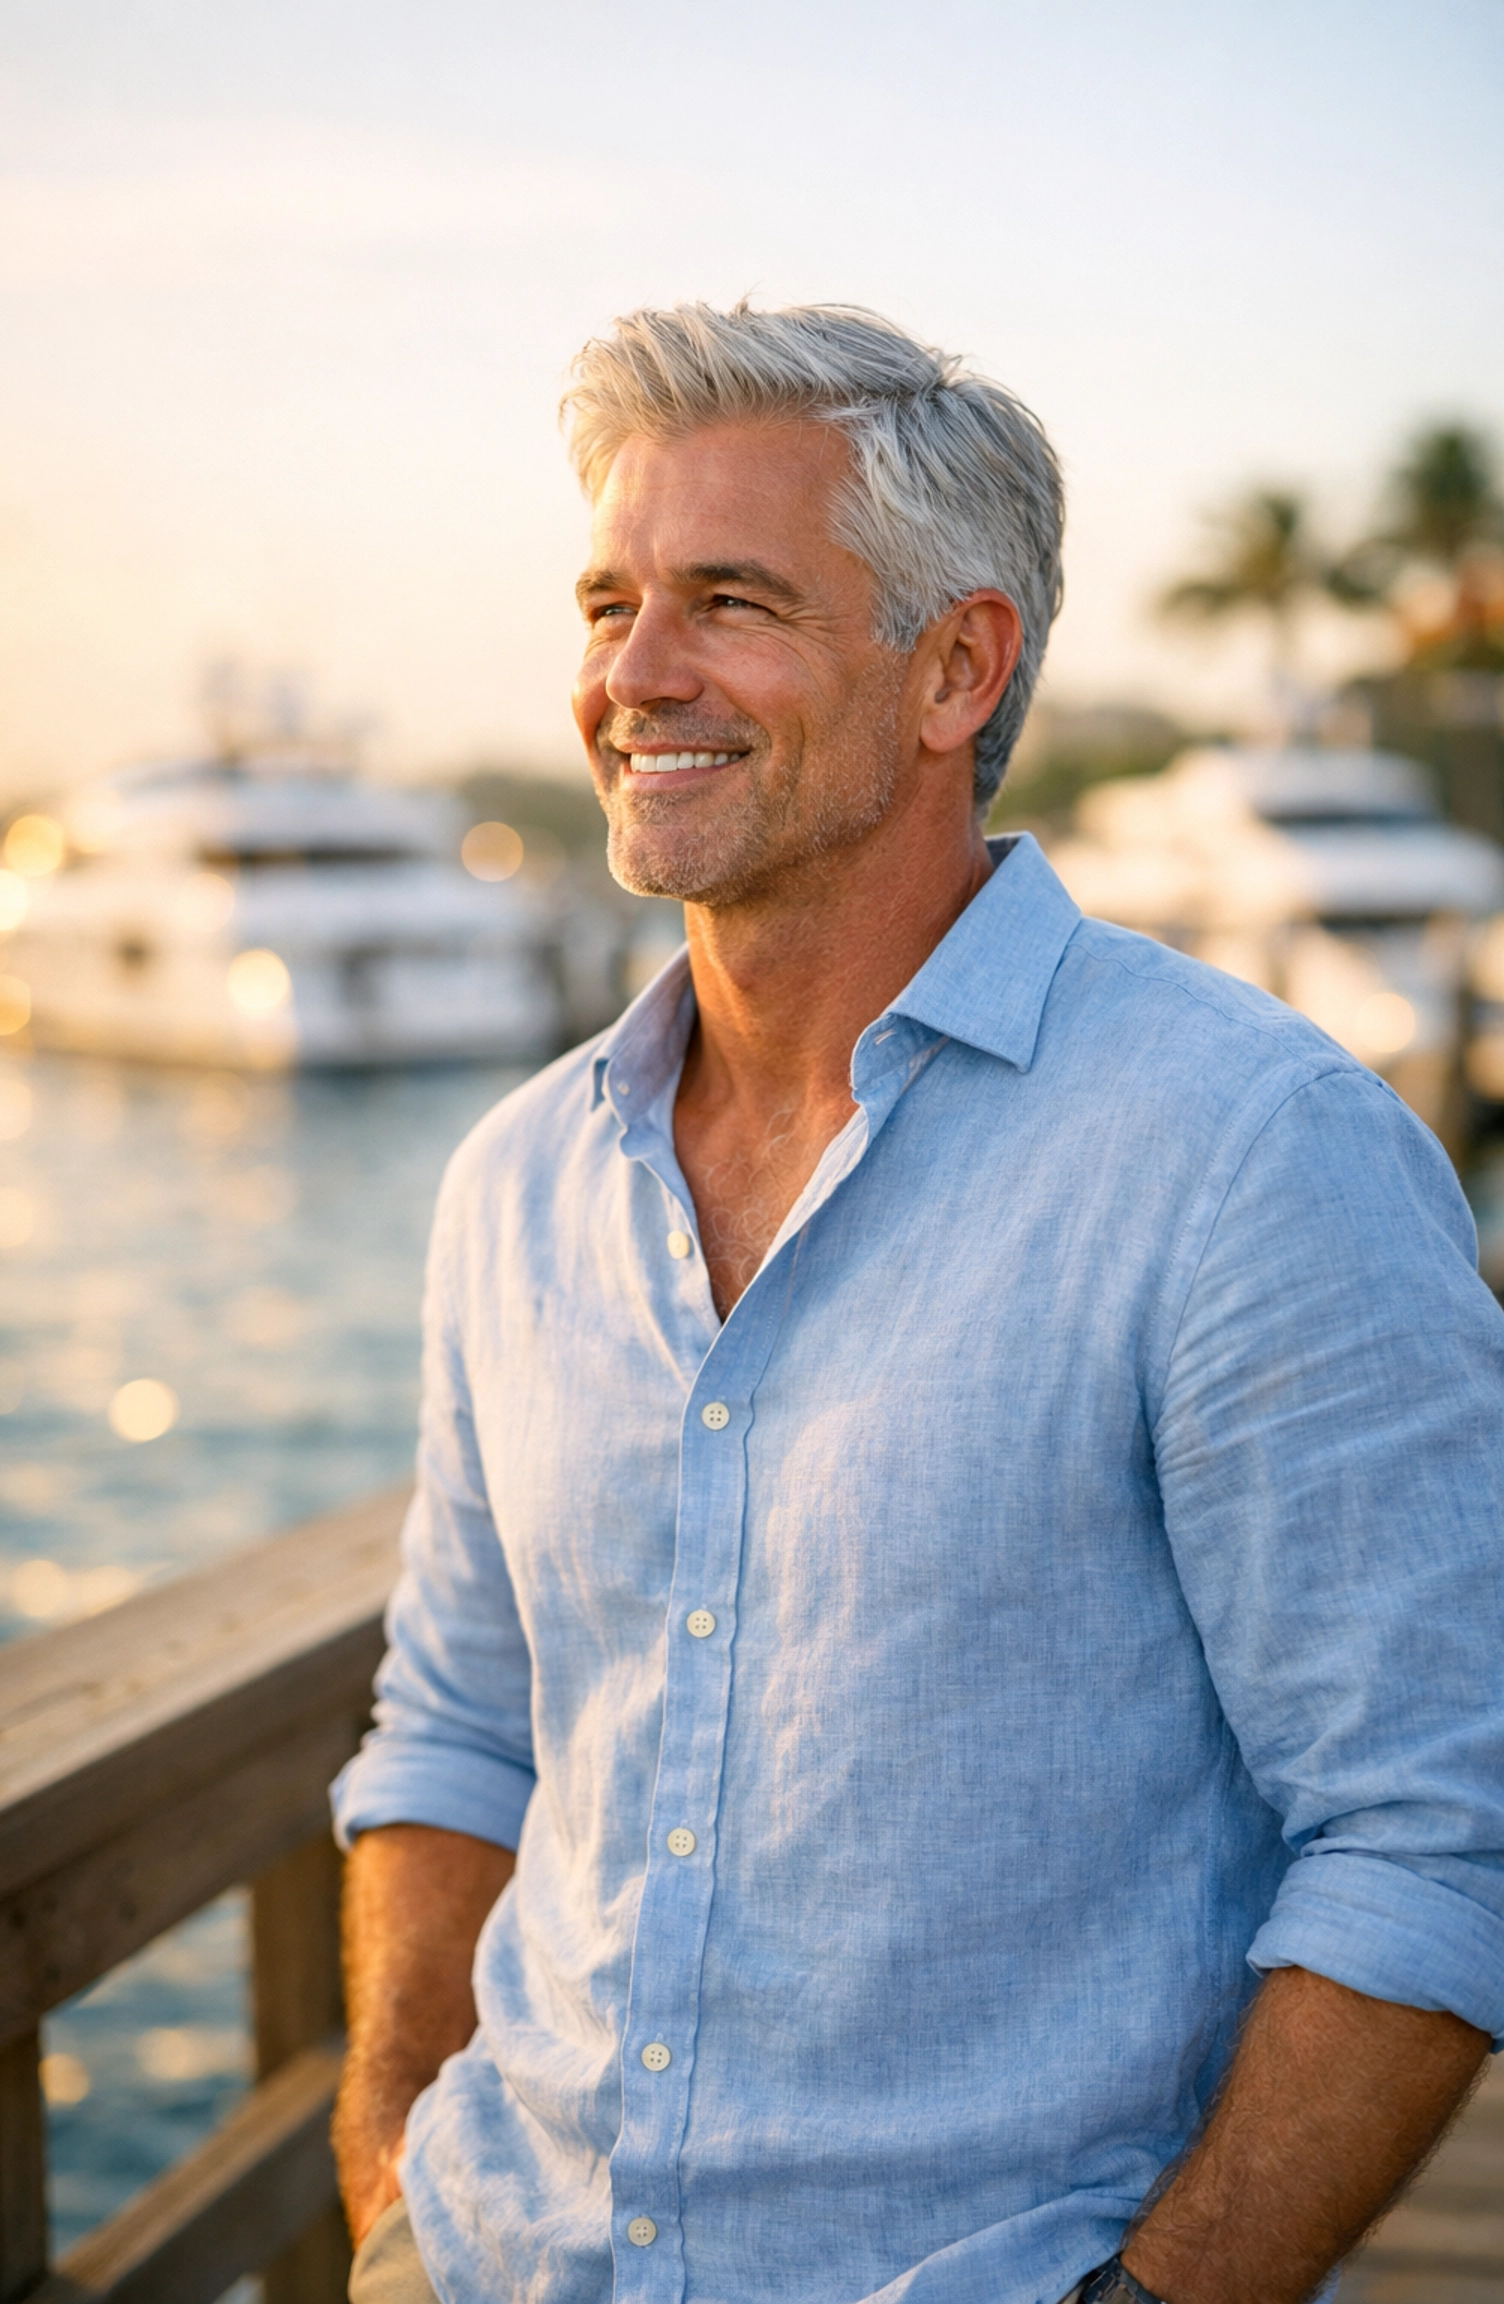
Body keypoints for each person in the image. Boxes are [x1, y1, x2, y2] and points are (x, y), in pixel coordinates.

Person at [330, 302, 1504, 2304]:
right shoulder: (514, 1181)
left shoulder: (1251, 1155)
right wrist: (388, 2170)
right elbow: (455, 1729)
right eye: (609, 600)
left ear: (958, 665)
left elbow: (1437, 1833)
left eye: (727, 601)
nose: (633, 674)